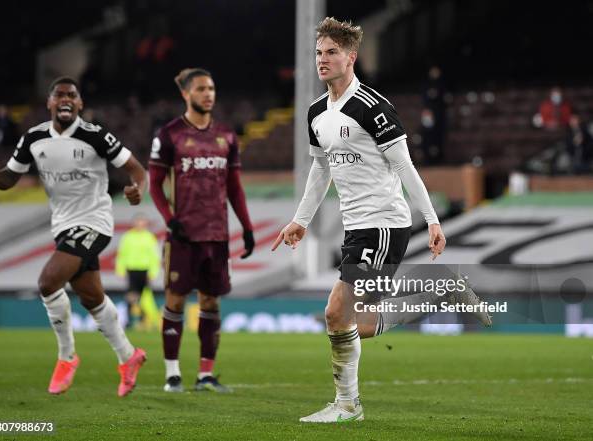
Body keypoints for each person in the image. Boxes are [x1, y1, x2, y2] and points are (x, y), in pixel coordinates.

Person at [272, 18, 491, 423]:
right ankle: (443, 293)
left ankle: (347, 405)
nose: (322, 60)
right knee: (361, 322)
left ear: (351, 57)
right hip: (354, 226)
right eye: (319, 53)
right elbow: (321, 171)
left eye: (331, 52)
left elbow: (406, 168)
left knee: (336, 313)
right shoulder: (317, 112)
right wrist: (301, 219)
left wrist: (431, 219)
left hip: (384, 223)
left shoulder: (372, 107)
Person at [0, 77, 147, 397]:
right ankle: (129, 356)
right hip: (63, 225)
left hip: (94, 222)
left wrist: (137, 190)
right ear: (50, 103)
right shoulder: (34, 138)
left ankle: (66, 357)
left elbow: (138, 171)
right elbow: (9, 179)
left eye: (72, 95)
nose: (66, 99)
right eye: (59, 95)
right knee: (91, 296)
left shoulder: (95, 136)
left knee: (47, 282)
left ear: (80, 104)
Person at [148, 68, 255, 393]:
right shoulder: (169, 134)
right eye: (201, 89)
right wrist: (170, 219)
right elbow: (154, 183)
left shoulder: (227, 135)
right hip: (183, 235)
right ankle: (172, 375)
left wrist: (247, 228)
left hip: (217, 235)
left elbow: (234, 188)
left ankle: (205, 375)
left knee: (211, 304)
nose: (208, 94)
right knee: (176, 302)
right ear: (186, 94)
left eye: (211, 88)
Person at [115, 213, 161, 328]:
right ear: (134, 223)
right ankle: (129, 321)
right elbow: (122, 254)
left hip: (145, 270)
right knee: (131, 295)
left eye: (142, 222)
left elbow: (154, 256)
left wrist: (153, 272)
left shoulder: (149, 237)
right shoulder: (127, 237)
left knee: (145, 297)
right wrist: (120, 269)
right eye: (138, 221)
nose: (140, 224)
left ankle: (143, 321)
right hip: (131, 269)